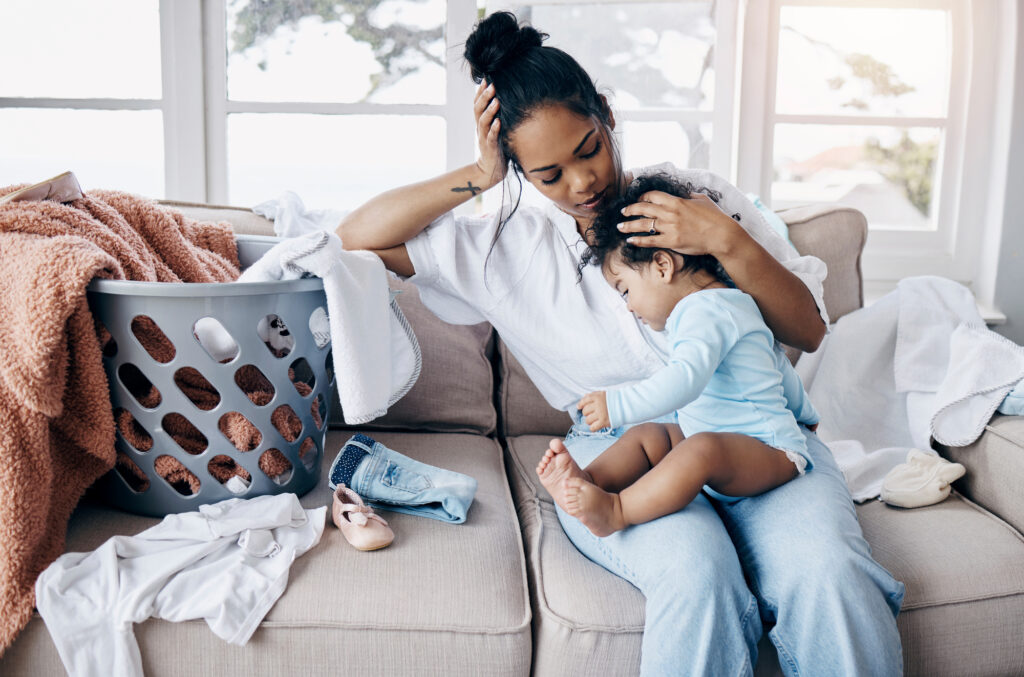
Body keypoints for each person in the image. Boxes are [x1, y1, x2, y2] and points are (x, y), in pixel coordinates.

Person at [337, 10, 904, 675]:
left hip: (755, 428)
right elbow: (356, 237)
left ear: (606, 115)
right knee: (697, 577)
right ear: (522, 171)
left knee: (830, 573)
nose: (582, 183)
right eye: (548, 174)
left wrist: (726, 240)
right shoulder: (500, 249)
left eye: (588, 148)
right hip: (623, 447)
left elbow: (808, 327)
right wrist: (481, 174)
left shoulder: (696, 199)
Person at [536, 172, 820, 538]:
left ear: (662, 266)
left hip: (771, 453)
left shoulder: (708, 311)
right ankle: (588, 481)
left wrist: (617, 405)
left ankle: (617, 510)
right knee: (650, 436)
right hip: (729, 446)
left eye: (625, 290)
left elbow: (684, 381)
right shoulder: (729, 304)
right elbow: (778, 366)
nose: (628, 307)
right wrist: (806, 412)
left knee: (700, 449)